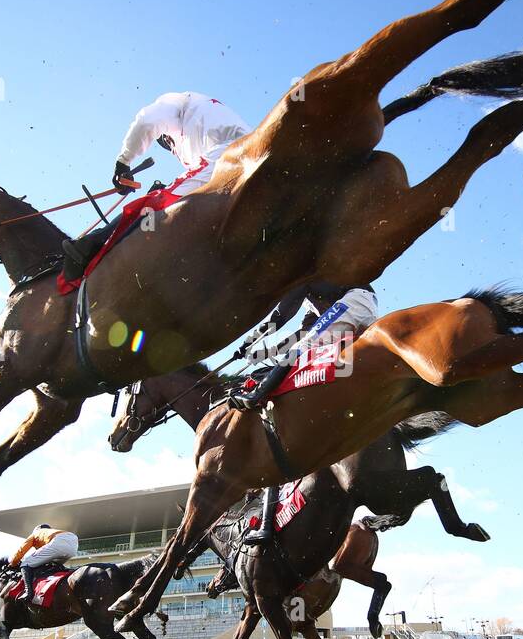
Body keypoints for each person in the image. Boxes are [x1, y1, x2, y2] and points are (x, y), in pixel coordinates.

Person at [231, 281, 379, 547]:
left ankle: (257, 395)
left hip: (357, 300)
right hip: (359, 307)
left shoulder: (304, 278)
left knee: (306, 349)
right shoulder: (317, 309)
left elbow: (279, 317)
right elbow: (296, 338)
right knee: (307, 351)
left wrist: (250, 340)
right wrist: (255, 354)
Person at [65, 91, 251, 271]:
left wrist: (124, 162)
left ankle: (92, 244)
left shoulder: (179, 105)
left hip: (229, 156)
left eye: (168, 143)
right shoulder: (204, 126)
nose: (171, 148)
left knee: (159, 201)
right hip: (235, 162)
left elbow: (147, 121)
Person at [8, 524, 78, 603]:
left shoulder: (35, 533)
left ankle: (28, 593)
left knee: (25, 563)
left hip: (58, 542)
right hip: (73, 543)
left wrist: (13, 563)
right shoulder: (52, 532)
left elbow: (21, 550)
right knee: (54, 565)